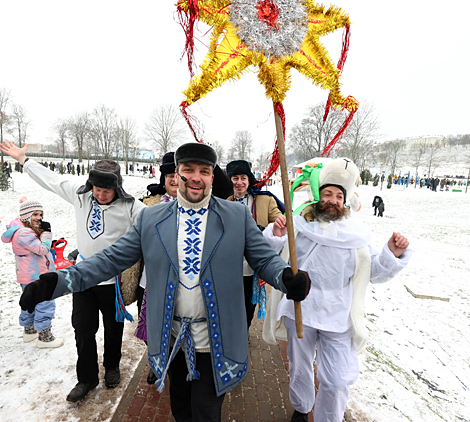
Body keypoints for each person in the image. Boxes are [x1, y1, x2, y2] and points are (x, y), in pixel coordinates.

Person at [19, 142, 310, 422]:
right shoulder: (151, 218)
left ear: (212, 176)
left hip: (216, 339)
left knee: (206, 411)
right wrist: (54, 283)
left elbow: (264, 259)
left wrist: (285, 277)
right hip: (172, 338)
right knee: (181, 408)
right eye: (189, 169)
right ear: (177, 173)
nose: (196, 178)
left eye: (204, 171)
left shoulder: (235, 216)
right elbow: (109, 260)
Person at [262, 158, 411, 422]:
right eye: (327, 194)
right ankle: (301, 406)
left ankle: (328, 418)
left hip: (338, 314)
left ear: (345, 201)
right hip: (301, 308)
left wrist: (392, 254)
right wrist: (276, 232)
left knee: (339, 378)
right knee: (300, 367)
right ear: (318, 196)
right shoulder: (299, 225)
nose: (332, 200)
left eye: (338, 196)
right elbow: (270, 256)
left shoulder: (356, 234)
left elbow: (371, 272)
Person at [0, 140, 146, 402]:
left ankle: (112, 366)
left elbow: (155, 223)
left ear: (117, 188)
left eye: (107, 191)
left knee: (113, 329)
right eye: (97, 189)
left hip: (113, 281)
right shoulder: (81, 196)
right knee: (82, 329)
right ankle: (87, 378)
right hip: (81, 279)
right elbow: (53, 180)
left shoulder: (131, 206)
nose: (101, 195)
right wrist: (24, 160)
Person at [226, 159, 284, 330]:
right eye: (235, 178)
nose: (239, 182)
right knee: (231, 303)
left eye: (243, 178)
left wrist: (281, 221)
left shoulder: (264, 200)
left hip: (253, 265)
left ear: (249, 179)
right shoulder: (225, 202)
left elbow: (277, 218)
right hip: (231, 264)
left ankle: (242, 334)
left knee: (248, 304)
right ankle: (232, 333)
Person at [1, 197, 64, 348]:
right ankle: (45, 338)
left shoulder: (21, 230)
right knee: (44, 302)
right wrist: (47, 234)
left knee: (30, 302)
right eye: (35, 214)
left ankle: (29, 332)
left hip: (28, 274)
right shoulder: (24, 233)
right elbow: (42, 249)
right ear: (26, 216)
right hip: (37, 275)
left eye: (41, 215)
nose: (39, 218)